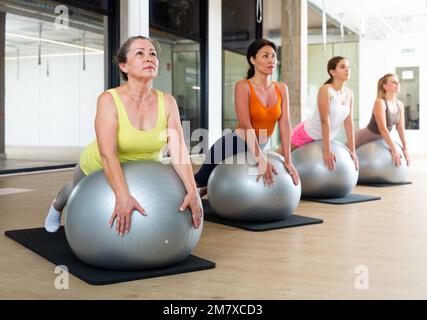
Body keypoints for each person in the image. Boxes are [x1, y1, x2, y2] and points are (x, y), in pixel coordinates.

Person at [44, 36, 202, 235]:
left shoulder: (167, 102)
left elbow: (178, 150)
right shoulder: (108, 99)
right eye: (140, 53)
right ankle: (57, 206)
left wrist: (192, 190)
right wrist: (122, 194)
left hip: (143, 171)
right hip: (99, 166)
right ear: (124, 66)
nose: (149, 57)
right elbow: (108, 154)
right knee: (73, 191)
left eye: (152, 53)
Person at [194, 38, 299, 198]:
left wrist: (288, 159)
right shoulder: (243, 86)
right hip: (233, 145)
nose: (271, 60)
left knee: (226, 181)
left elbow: (285, 124)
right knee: (201, 180)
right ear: (252, 60)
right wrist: (260, 159)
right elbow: (245, 124)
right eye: (265, 56)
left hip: (259, 144)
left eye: (273, 56)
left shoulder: (281, 89)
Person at [290, 56, 358, 171]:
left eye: (348, 67)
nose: (347, 69)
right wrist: (327, 151)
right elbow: (324, 121)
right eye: (342, 67)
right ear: (332, 72)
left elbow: (348, 123)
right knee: (280, 156)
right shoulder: (326, 90)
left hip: (325, 138)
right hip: (308, 133)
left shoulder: (349, 93)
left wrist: (353, 151)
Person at [354, 73, 410, 166]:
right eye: (394, 82)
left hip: (382, 138)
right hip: (365, 136)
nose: (397, 84)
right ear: (385, 86)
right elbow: (383, 129)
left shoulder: (400, 104)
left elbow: (400, 128)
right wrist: (393, 149)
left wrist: (405, 148)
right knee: (344, 153)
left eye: (398, 82)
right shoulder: (380, 102)